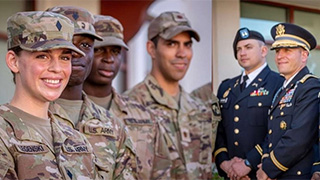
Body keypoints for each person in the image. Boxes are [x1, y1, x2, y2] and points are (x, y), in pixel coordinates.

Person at [0, 11, 99, 179]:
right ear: (13, 61)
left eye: (65, 58)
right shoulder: (3, 134)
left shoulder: (75, 139)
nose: (57, 68)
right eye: (43, 56)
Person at [46, 6, 137, 180]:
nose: (76, 52)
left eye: (86, 45)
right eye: (66, 43)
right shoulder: (26, 118)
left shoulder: (114, 126)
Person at [124, 11, 216, 179]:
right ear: (151, 49)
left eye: (187, 45)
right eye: (172, 44)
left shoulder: (201, 110)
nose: (182, 53)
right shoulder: (127, 108)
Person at [83, 15, 171, 179]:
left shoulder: (145, 117)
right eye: (99, 50)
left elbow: (161, 172)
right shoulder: (62, 112)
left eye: (115, 51)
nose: (109, 59)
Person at [214, 27, 284, 179]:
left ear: (264, 51)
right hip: (231, 175)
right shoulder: (226, 87)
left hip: (262, 173)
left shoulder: (279, 84)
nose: (242, 53)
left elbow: (279, 132)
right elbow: (218, 131)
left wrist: (248, 164)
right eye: (239, 49)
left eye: (248, 47)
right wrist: (225, 164)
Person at [256, 23, 320, 179]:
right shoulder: (283, 88)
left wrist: (268, 169)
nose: (279, 56)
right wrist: (265, 159)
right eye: (277, 51)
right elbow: (271, 133)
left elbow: (300, 138)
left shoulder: (311, 87)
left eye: (287, 50)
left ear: (304, 55)